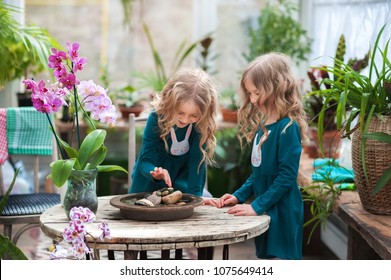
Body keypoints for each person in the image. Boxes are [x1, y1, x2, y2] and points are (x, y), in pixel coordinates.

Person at [215, 52, 309, 260]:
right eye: (249, 93)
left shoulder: (287, 128)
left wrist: (256, 206)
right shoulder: (263, 127)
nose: (252, 99)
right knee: (266, 259)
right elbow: (258, 173)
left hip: (282, 211)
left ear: (276, 88)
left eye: (256, 93)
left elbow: (286, 177)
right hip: (266, 206)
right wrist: (238, 195)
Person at [129, 68, 218, 200]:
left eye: (194, 115)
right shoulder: (156, 120)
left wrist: (195, 200)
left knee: (202, 200)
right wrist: (155, 172)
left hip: (182, 188)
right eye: (180, 112)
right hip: (146, 187)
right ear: (170, 103)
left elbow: (196, 168)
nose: (185, 119)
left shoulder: (201, 126)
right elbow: (145, 162)